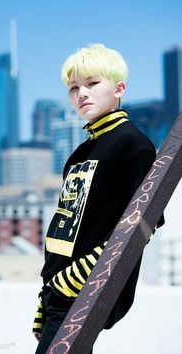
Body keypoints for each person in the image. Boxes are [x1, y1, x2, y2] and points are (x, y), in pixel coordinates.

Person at [32, 43, 164, 354]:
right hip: (58, 293)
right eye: (74, 87)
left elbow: (145, 222)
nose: (81, 94)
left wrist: (77, 279)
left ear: (119, 88)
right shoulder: (80, 153)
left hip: (85, 289)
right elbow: (66, 228)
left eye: (92, 84)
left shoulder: (133, 144)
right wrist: (46, 293)